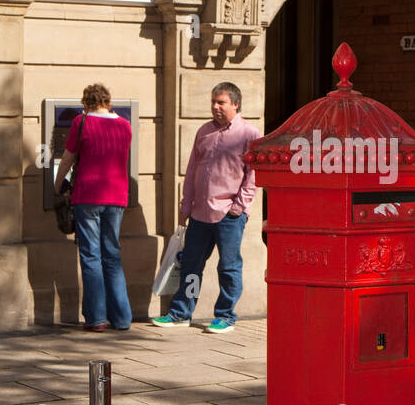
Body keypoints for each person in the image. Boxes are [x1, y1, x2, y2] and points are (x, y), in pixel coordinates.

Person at [152, 83, 260, 334]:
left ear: (235, 104)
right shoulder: (204, 131)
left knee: (229, 266)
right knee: (191, 265)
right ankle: (181, 313)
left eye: (221, 102)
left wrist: (239, 207)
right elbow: (192, 170)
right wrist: (185, 203)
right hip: (200, 213)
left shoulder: (249, 134)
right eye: (213, 101)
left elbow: (253, 176)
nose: (215, 107)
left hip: (229, 215)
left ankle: (225, 316)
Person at [54, 84, 133, 333]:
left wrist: (57, 185)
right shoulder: (125, 125)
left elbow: (67, 158)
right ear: (108, 102)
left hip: (88, 195)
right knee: (112, 255)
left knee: (91, 256)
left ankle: (96, 318)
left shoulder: (82, 122)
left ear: (86, 103)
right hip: (116, 197)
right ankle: (121, 319)